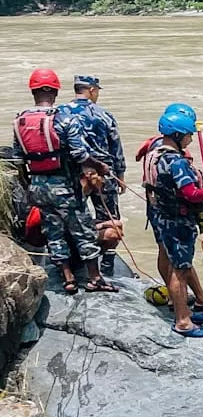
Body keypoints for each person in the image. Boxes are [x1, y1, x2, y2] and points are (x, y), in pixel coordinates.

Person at [11, 69, 115, 294]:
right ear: (55, 91)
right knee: (83, 231)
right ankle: (95, 278)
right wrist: (99, 167)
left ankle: (68, 279)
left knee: (53, 232)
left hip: (37, 186)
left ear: (33, 91)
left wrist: (31, 185)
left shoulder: (20, 120)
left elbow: (19, 158)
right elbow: (79, 154)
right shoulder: (64, 118)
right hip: (64, 187)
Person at [136, 103, 203, 315]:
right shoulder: (176, 161)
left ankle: (196, 299)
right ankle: (182, 315)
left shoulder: (155, 147)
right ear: (178, 134)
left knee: (175, 259)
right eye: (188, 135)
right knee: (180, 267)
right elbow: (189, 193)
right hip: (176, 217)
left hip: (158, 210)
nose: (191, 139)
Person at [62, 76, 125, 275]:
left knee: (72, 218)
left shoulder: (61, 113)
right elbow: (116, 148)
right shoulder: (104, 115)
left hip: (73, 176)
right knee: (111, 219)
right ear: (91, 89)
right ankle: (107, 268)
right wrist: (120, 175)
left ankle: (74, 263)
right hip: (104, 174)